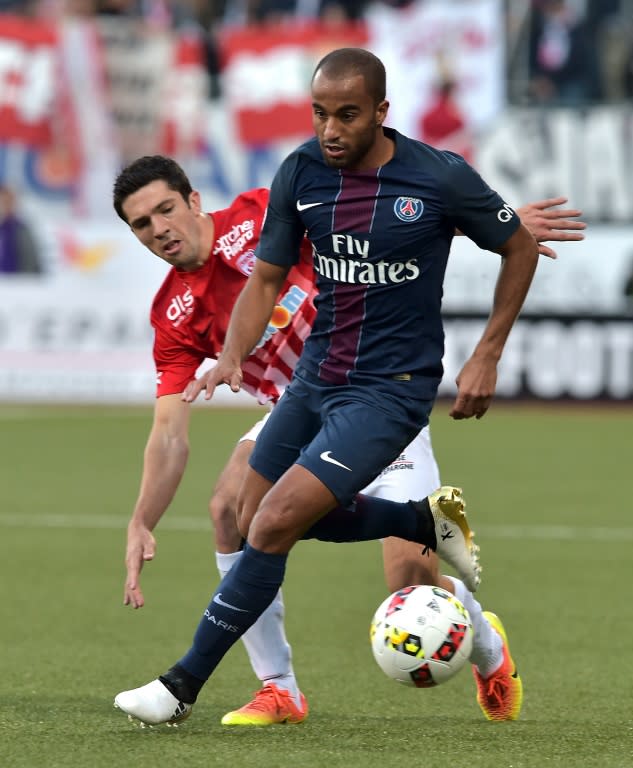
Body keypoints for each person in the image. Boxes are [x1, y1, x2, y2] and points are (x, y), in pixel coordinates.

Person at [112, 47, 580, 727]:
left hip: (383, 394)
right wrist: (140, 519)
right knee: (237, 514)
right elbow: (168, 431)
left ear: (192, 199)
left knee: (408, 581)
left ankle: (484, 645)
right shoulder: (187, 300)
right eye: (139, 224)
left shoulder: (286, 203)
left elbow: (451, 230)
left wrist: (492, 230)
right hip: (307, 392)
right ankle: (275, 687)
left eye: (163, 211)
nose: (157, 231)